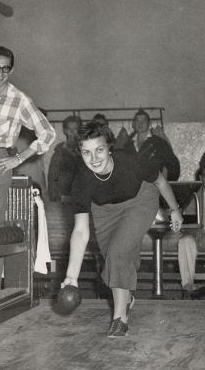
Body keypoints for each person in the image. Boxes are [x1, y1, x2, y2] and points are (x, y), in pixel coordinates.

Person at [63, 122, 183, 337]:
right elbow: (80, 231)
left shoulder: (131, 161)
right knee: (113, 256)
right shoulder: (81, 181)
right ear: (79, 153)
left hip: (140, 200)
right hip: (105, 210)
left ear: (109, 147)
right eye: (86, 152)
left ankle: (120, 319)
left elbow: (160, 181)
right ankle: (126, 297)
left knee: (118, 254)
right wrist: (71, 276)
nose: (94, 159)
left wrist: (174, 210)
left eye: (99, 150)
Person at [0, 45, 56, 294]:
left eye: (6, 69)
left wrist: (19, 158)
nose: (0, 74)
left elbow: (48, 132)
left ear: (11, 70)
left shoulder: (20, 99)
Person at [115, 109, 180, 181]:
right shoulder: (127, 146)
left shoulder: (159, 143)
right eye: (137, 121)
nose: (140, 123)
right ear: (133, 124)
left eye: (144, 120)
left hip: (153, 188)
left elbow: (174, 165)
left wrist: (166, 184)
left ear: (149, 123)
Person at [177, 157, 205, 298]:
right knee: (185, 242)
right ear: (201, 178)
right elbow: (186, 226)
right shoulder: (194, 198)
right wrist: (198, 235)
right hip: (199, 238)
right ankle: (188, 287)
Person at [47, 115, 82, 202]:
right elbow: (52, 177)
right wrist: (54, 197)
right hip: (64, 197)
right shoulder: (59, 152)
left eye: (75, 129)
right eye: (69, 129)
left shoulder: (86, 151)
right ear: (65, 131)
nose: (72, 132)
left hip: (82, 195)